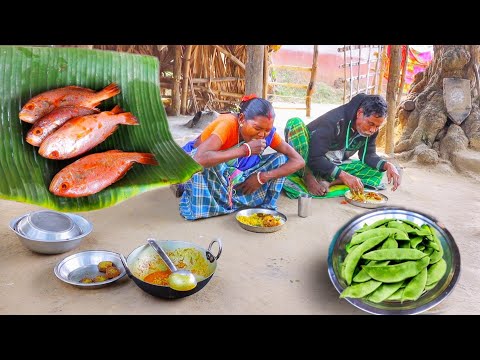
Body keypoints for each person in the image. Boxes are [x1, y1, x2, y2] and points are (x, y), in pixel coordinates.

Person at [176, 94, 305, 220]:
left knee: (280, 159)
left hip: (234, 174)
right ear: (242, 119)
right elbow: (198, 159)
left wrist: (262, 177)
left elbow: (298, 161)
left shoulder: (268, 133)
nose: (262, 134)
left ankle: (242, 202)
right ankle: (205, 197)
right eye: (257, 128)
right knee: (202, 164)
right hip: (204, 168)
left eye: (267, 130)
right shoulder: (228, 124)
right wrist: (245, 150)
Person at [283, 93, 401, 198]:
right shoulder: (334, 120)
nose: (372, 130)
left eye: (377, 126)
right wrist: (344, 175)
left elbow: (368, 155)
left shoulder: (372, 129)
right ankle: (307, 176)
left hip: (332, 166)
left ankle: (329, 182)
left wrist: (387, 165)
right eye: (370, 124)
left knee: (377, 171)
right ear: (360, 113)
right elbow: (314, 157)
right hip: (307, 160)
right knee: (294, 123)